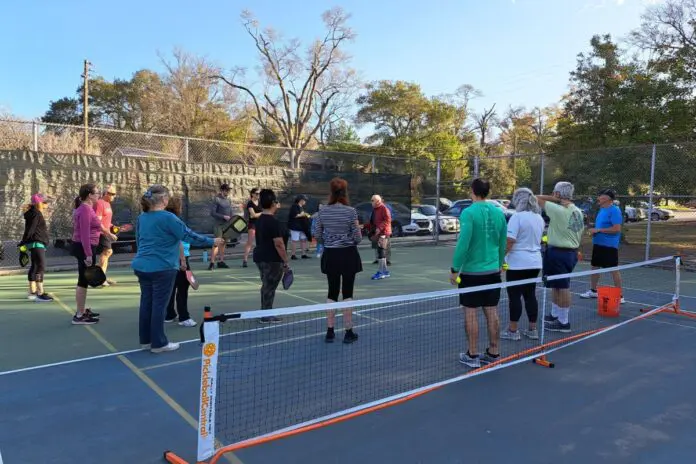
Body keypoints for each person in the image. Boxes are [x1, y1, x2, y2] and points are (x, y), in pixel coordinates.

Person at [132, 184, 223, 353]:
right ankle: (159, 343)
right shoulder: (168, 218)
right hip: (162, 267)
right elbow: (187, 235)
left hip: (142, 266)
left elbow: (139, 240)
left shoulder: (142, 218)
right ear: (164, 200)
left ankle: (146, 340)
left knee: (147, 303)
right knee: (159, 305)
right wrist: (212, 241)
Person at [451, 178, 507, 368]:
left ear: (472, 191)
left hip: (471, 274)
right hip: (493, 272)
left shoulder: (468, 213)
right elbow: (502, 243)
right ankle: (494, 351)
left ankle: (473, 354)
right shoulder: (499, 213)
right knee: (491, 311)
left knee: (471, 313)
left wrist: (454, 269)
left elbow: (463, 243)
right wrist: (499, 264)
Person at [313, 177, 363, 344]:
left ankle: (330, 331)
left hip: (331, 255)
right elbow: (358, 237)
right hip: (348, 255)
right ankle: (348, 331)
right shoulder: (351, 212)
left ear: (331, 192)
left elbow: (318, 235)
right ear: (345, 192)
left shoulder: (322, 212)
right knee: (347, 292)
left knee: (332, 291)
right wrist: (347, 240)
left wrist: (329, 242)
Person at [537, 181, 586, 333]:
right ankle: (555, 314)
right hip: (567, 252)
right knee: (557, 285)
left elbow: (535, 197)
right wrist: (558, 198)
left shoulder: (558, 209)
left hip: (560, 252)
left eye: (554, 192)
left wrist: (556, 198)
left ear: (558, 194)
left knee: (563, 287)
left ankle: (563, 322)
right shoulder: (577, 210)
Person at [502, 188, 546, 341]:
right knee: (530, 294)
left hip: (517, 263)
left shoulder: (517, 217)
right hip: (535, 262)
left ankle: (513, 330)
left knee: (514, 295)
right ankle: (532, 329)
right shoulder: (538, 218)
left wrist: (501, 258)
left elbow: (510, 240)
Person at [580, 188, 625, 303]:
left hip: (609, 245)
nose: (598, 198)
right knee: (594, 266)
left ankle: (620, 296)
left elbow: (616, 229)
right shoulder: (602, 209)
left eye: (600, 196)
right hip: (598, 244)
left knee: (613, 269)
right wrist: (594, 231)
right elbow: (601, 227)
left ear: (607, 198)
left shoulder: (614, 210)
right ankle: (594, 291)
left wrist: (598, 230)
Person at [253, 189, 290, 323]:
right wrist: (285, 260)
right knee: (270, 286)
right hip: (272, 259)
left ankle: (265, 311)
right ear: (273, 203)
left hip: (260, 257)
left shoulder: (260, 219)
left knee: (266, 285)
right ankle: (266, 314)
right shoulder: (273, 222)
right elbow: (279, 244)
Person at [71, 183, 104, 325]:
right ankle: (79, 315)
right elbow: (84, 234)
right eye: (97, 193)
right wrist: (88, 254)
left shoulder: (87, 209)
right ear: (90, 195)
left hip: (87, 246)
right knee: (83, 280)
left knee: (83, 279)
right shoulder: (85, 209)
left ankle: (82, 310)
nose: (99, 195)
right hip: (85, 247)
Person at [165, 196, 197, 327]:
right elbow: (179, 241)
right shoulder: (176, 220)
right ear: (177, 207)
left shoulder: (165, 219)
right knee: (183, 287)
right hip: (180, 257)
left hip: (170, 259)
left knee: (171, 287)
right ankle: (184, 317)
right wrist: (183, 261)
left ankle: (169, 314)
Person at [20, 193, 52, 302]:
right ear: (40, 203)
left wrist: (24, 242)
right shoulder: (36, 214)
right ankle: (40, 293)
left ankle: (32, 292)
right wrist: (23, 242)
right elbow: (31, 229)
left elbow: (29, 229)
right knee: (41, 266)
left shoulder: (33, 213)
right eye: (45, 202)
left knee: (35, 266)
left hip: (36, 243)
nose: (47, 204)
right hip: (37, 243)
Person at [94, 184, 119, 286]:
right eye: (112, 194)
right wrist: (109, 233)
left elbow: (106, 221)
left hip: (106, 232)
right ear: (106, 193)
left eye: (115, 194)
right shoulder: (100, 203)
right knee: (108, 251)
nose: (114, 196)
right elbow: (97, 222)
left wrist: (114, 227)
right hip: (100, 232)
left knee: (107, 253)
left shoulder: (108, 204)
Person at [208, 183, 232, 270]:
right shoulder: (216, 199)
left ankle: (221, 261)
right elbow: (212, 213)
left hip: (227, 225)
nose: (228, 192)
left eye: (228, 190)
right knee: (217, 243)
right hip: (218, 225)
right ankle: (212, 263)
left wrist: (231, 220)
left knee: (224, 243)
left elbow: (230, 211)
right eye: (226, 190)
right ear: (222, 190)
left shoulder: (228, 200)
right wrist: (223, 216)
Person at [370, 195, 392, 280]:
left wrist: (380, 228)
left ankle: (381, 272)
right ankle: (385, 271)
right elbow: (373, 222)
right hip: (378, 233)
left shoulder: (384, 208)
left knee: (381, 252)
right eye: (371, 200)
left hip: (383, 233)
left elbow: (387, 220)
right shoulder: (375, 210)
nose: (371, 202)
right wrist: (363, 226)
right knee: (380, 252)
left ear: (378, 201)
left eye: (373, 200)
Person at [242, 188, 262, 268]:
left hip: (260, 224)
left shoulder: (261, 202)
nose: (258, 195)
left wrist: (259, 214)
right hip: (252, 224)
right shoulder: (250, 203)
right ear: (252, 194)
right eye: (257, 194)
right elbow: (253, 215)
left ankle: (260, 259)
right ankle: (245, 260)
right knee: (250, 242)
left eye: (259, 194)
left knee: (260, 242)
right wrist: (262, 213)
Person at [288, 194, 312, 260]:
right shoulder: (295, 206)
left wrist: (306, 215)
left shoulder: (301, 207)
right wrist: (304, 214)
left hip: (302, 226)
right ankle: (293, 255)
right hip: (295, 226)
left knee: (303, 239)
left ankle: (303, 254)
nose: (305, 201)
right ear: (301, 200)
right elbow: (295, 215)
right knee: (294, 240)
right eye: (304, 200)